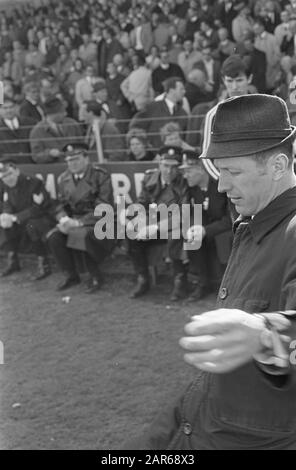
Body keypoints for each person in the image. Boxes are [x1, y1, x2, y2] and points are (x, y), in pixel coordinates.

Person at [127, 94, 296, 450]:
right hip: (205, 411)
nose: (221, 185)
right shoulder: (253, 222)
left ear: (279, 166)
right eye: (219, 171)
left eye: (233, 172)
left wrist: (267, 334)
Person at [47, 143, 114, 293]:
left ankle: (95, 275)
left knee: (79, 234)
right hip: (74, 221)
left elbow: (104, 206)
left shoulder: (100, 176)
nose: (73, 163)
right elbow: (60, 205)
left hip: (99, 221)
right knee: (54, 237)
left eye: (76, 159)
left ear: (86, 159)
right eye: (69, 160)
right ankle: (71, 275)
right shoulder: (64, 178)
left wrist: (78, 222)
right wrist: (63, 219)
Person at [168, 149, 232, 301]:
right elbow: (193, 212)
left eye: (189, 171)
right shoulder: (191, 189)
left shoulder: (220, 185)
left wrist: (205, 230)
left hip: (226, 229)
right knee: (190, 236)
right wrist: (196, 228)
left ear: (202, 170)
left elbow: (230, 219)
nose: (185, 175)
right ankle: (203, 283)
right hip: (206, 228)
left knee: (222, 239)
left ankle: (228, 285)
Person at [127, 145, 186, 299]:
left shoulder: (183, 183)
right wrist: (141, 222)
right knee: (132, 231)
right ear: (159, 164)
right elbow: (141, 204)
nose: (169, 171)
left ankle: (180, 280)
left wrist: (156, 227)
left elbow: (183, 214)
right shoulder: (149, 178)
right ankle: (142, 278)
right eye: (165, 166)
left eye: (174, 167)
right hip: (153, 225)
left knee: (176, 235)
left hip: (173, 226)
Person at [201, 55, 253, 181]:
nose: (234, 87)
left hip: (259, 186)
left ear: (249, 78)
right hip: (227, 189)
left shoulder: (264, 109)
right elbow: (206, 158)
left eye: (239, 80)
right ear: (224, 81)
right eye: (230, 81)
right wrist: (228, 183)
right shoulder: (213, 115)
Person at [0, 159, 54, 280]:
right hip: (22, 219)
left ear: (17, 171)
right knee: (6, 223)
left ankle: (44, 265)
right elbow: (6, 202)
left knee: (32, 225)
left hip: (42, 218)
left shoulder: (34, 183)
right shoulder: (5, 185)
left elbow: (39, 208)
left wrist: (15, 217)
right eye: (4, 176)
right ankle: (13, 262)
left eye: (10, 174)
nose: (8, 178)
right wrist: (6, 215)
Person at [30, 96, 83, 164]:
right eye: (61, 112)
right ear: (51, 114)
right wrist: (49, 154)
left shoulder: (72, 124)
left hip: (77, 165)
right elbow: (36, 156)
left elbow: (82, 145)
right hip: (56, 169)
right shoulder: (37, 132)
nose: (65, 114)